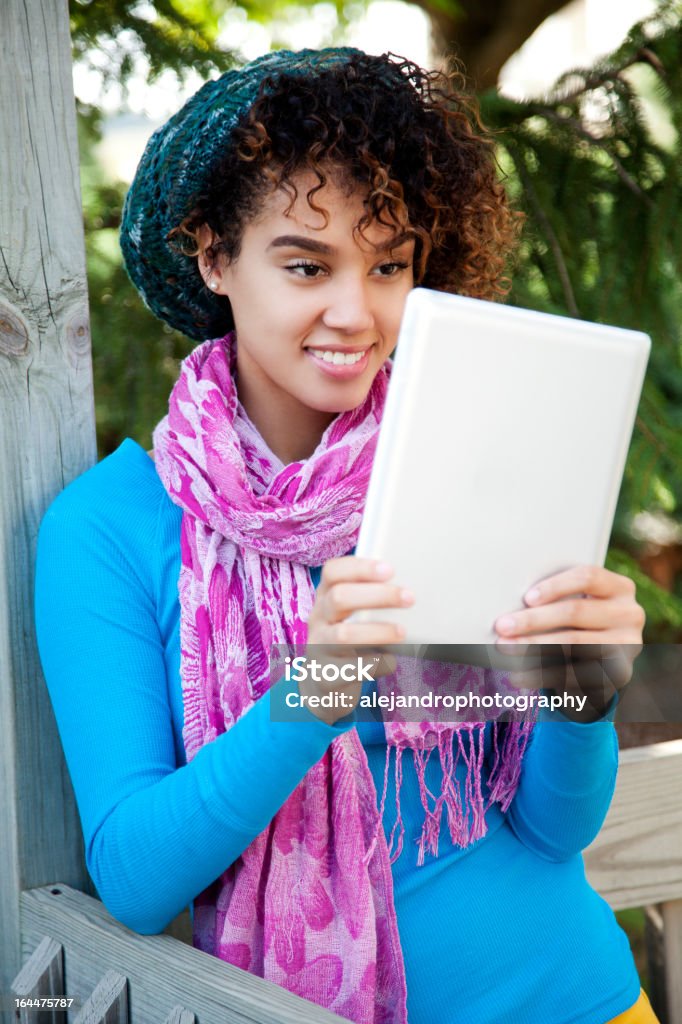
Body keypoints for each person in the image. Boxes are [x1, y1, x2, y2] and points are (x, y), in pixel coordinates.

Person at [35, 48, 655, 1024]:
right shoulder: (110, 526)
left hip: (582, 996)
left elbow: (549, 829)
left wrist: (580, 690)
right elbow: (135, 874)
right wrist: (316, 684)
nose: (355, 312)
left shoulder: (466, 459)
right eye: (305, 264)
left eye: (390, 266)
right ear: (212, 256)